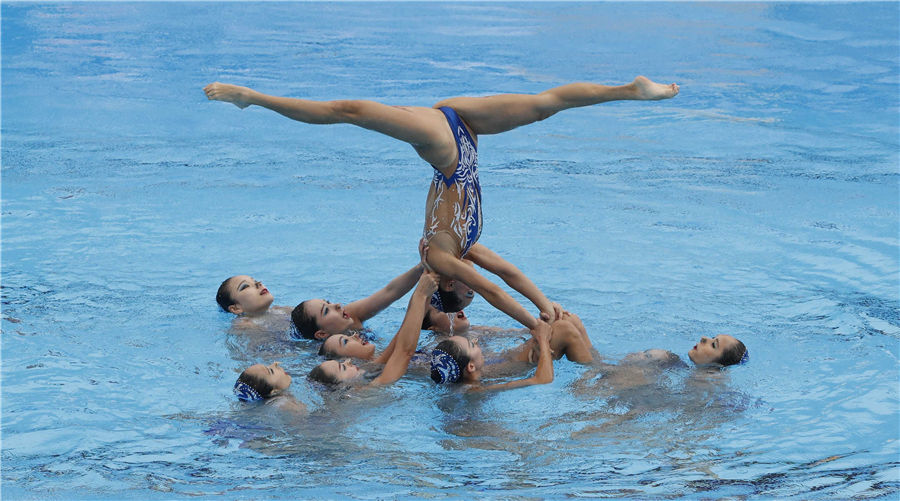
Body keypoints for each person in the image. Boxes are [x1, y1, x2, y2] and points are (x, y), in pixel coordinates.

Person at [204, 77, 679, 331]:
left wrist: (534, 323)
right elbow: (507, 275)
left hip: (445, 151)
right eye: (469, 293)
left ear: (450, 284)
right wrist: (544, 304)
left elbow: (494, 290)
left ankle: (253, 98)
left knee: (349, 112)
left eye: (463, 291)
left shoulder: (439, 257)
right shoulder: (465, 250)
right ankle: (628, 91)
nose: (471, 287)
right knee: (544, 104)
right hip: (463, 136)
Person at [308, 272, 442, 387]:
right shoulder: (370, 389)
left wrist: (427, 285)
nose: (348, 361)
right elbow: (404, 352)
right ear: (342, 386)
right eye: (342, 367)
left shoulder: (370, 376)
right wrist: (421, 294)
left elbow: (402, 337)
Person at [428, 310, 593, 390]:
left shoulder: (467, 377)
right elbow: (543, 380)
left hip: (512, 361)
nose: (476, 341)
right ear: (470, 367)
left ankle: (597, 369)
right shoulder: (476, 391)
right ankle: (594, 381)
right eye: (472, 345)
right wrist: (543, 340)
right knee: (565, 329)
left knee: (570, 321)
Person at [290, 263, 427, 340]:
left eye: (329, 302)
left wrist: (421, 266)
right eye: (326, 310)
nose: (337, 305)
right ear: (322, 334)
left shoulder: (350, 316)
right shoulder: (340, 358)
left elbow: (390, 292)